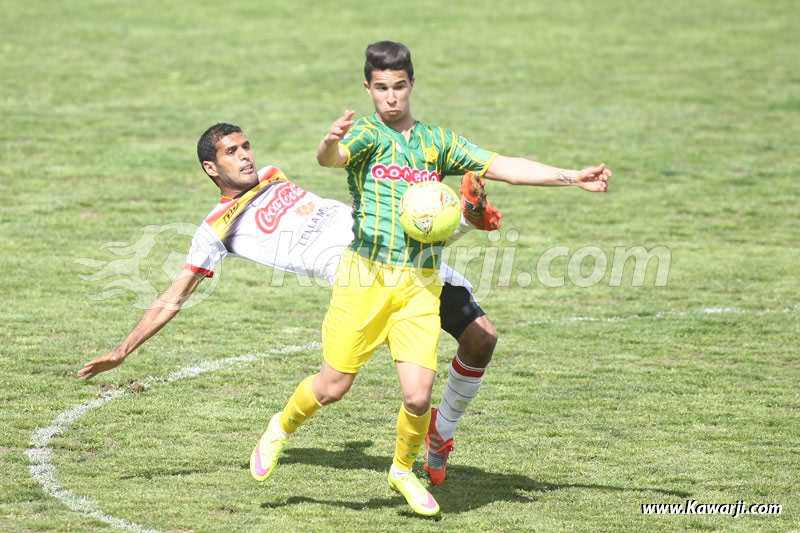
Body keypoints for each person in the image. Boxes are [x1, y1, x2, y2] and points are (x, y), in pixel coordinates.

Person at [253, 41, 612, 516]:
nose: (391, 97)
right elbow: (330, 159)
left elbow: (502, 166)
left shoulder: (437, 141)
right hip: (364, 278)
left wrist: (572, 177)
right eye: (381, 88)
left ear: (411, 85)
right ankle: (281, 426)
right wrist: (328, 140)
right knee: (332, 387)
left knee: (418, 396)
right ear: (368, 89)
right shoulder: (362, 135)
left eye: (399, 86)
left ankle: (402, 470)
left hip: (421, 283)